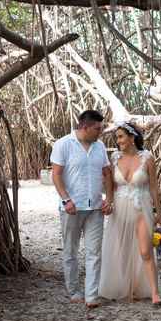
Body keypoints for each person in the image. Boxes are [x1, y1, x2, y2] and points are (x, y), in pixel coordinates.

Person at [50, 110, 114, 308]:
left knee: (94, 252)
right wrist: (66, 200)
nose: (100, 132)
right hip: (72, 208)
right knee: (71, 251)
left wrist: (109, 199)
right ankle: (74, 291)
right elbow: (56, 175)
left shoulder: (100, 146)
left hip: (95, 207)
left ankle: (91, 295)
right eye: (97, 128)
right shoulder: (63, 145)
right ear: (84, 127)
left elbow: (107, 174)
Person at [99, 122, 161, 305]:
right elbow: (110, 186)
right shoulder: (114, 158)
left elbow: (154, 188)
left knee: (145, 250)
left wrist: (159, 213)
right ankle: (129, 288)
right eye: (117, 137)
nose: (118, 140)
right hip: (119, 207)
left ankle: (154, 293)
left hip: (141, 206)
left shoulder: (147, 158)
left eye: (121, 136)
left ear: (132, 137)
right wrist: (109, 203)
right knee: (123, 249)